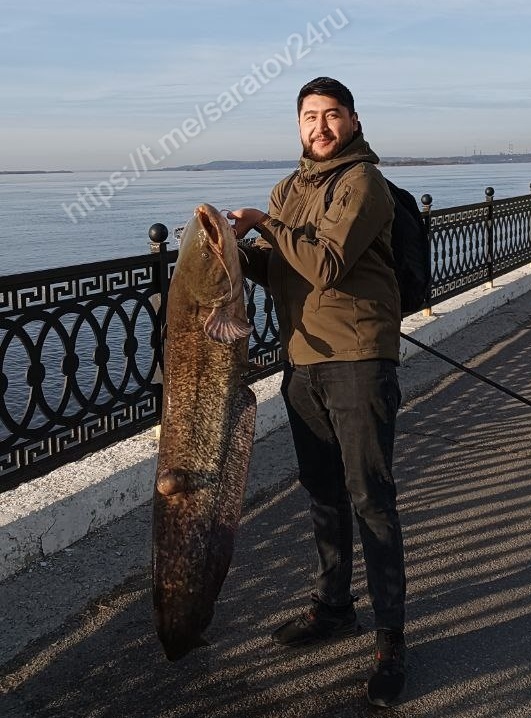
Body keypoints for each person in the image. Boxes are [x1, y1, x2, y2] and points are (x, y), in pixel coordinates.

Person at [228, 77, 407, 708]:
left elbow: (325, 263)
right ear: (298, 126)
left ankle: (391, 638)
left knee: (371, 498)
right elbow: (280, 265)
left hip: (358, 358)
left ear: (354, 122)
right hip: (302, 361)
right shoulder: (287, 189)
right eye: (309, 117)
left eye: (332, 116)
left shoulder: (364, 183)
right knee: (323, 496)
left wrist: (266, 225)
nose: (320, 127)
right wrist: (225, 249)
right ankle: (333, 607)